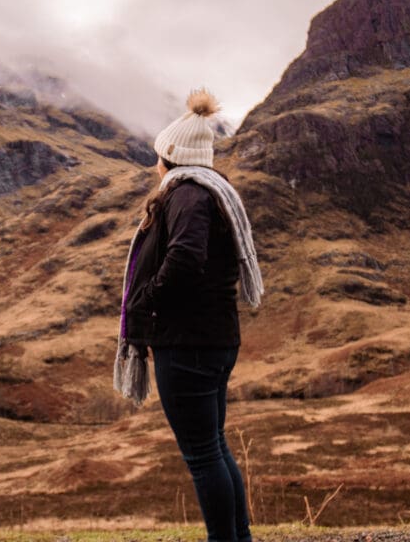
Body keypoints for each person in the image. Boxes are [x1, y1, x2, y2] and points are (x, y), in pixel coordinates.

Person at [114, 88, 263, 542]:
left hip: (188, 344)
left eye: (160, 156)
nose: (156, 165)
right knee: (214, 446)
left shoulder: (186, 197)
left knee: (202, 454)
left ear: (173, 156)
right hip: (213, 338)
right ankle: (239, 538)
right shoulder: (211, 193)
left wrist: (148, 303)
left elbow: (184, 258)